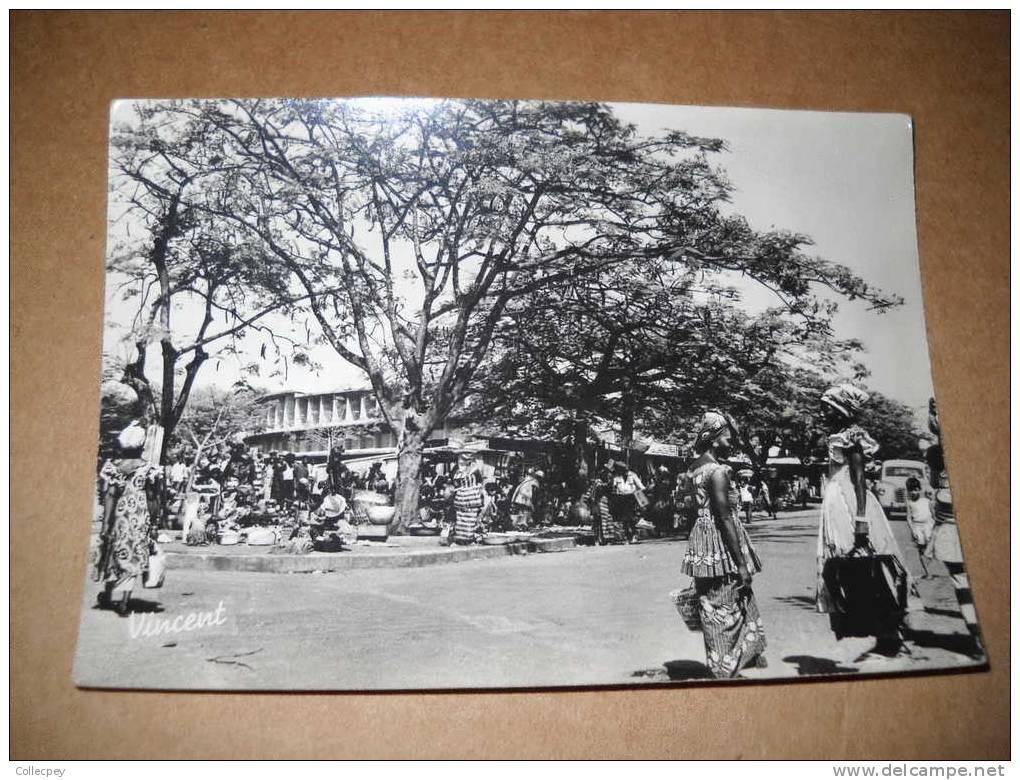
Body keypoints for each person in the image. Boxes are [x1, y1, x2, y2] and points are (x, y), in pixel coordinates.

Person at [815, 384, 916, 659]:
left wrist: (861, 519)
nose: (822, 412)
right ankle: (872, 631)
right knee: (847, 569)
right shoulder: (837, 436)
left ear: (840, 409)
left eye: (827, 406)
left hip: (851, 505)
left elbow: (859, 479)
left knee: (864, 566)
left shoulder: (852, 438)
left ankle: (889, 635)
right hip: (837, 505)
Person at [681, 411, 767, 678]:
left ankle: (720, 664)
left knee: (711, 604)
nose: (732, 442)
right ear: (716, 439)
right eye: (729, 437)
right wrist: (741, 563)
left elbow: (691, 510)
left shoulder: (695, 469)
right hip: (720, 542)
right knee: (727, 603)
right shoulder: (717, 472)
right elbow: (725, 517)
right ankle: (724, 670)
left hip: (703, 542)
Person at [925, 398, 983, 656]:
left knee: (963, 584)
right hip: (951, 525)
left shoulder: (936, 457)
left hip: (949, 526)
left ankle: (979, 636)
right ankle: (979, 635)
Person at [93, 422, 162, 617]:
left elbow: (110, 497)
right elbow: (152, 499)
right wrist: (155, 523)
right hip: (139, 519)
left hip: (118, 518)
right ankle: (124, 602)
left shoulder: (113, 468)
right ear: (142, 446)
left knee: (113, 555)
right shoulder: (149, 470)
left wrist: (106, 523)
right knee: (132, 557)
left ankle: (107, 594)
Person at [451, 448, 487, 544]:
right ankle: (460, 539)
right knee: (460, 518)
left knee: (470, 518)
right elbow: (454, 482)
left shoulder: (474, 470)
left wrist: (477, 492)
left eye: (462, 459)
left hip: (471, 497)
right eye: (459, 459)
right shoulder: (456, 470)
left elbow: (479, 482)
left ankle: (469, 538)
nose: (460, 461)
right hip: (460, 497)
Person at [904, 476, 935, 578]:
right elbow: (908, 518)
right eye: (911, 490)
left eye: (916, 490)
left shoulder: (926, 501)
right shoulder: (909, 503)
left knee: (930, 549)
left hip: (928, 525)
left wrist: (935, 527)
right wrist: (912, 530)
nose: (913, 492)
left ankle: (928, 566)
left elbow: (934, 515)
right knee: (921, 549)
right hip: (917, 526)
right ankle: (928, 572)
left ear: (919, 489)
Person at [610, 462, 645, 544]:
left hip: (631, 499)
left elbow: (641, 487)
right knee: (624, 519)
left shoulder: (632, 475)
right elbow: (614, 489)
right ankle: (627, 535)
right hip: (621, 499)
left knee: (631, 517)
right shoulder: (616, 477)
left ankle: (634, 534)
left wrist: (637, 493)